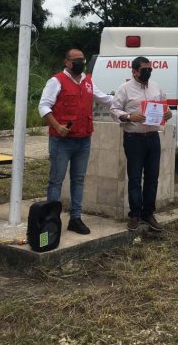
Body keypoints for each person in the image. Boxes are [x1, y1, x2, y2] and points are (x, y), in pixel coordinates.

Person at [38, 48, 113, 234]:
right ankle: (51, 221)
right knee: (56, 181)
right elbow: (44, 106)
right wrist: (57, 126)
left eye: (82, 59)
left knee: (78, 180)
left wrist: (129, 101)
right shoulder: (56, 81)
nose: (80, 63)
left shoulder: (88, 82)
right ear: (67, 62)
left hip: (83, 140)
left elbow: (106, 99)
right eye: (76, 60)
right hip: (61, 142)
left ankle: (75, 218)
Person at [110, 56, 173, 232]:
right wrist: (129, 116)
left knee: (152, 178)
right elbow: (114, 110)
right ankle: (135, 215)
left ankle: (148, 213)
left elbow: (165, 106)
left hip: (153, 138)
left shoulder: (156, 87)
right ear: (135, 71)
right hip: (134, 139)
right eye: (144, 70)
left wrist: (167, 113)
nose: (148, 72)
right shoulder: (124, 88)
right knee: (135, 177)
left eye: (150, 69)